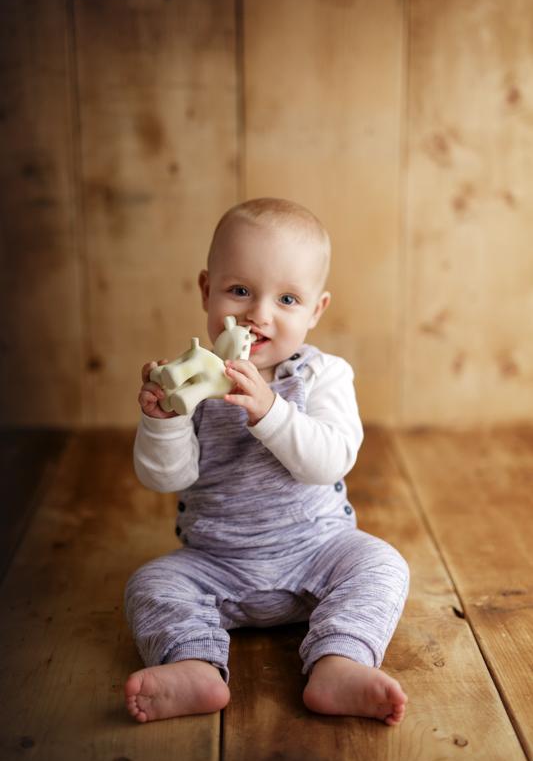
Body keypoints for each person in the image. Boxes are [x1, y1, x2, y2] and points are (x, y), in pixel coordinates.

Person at [124, 198, 410, 725]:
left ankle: (339, 661)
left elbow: (330, 460)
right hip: (217, 563)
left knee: (381, 565)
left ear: (316, 311)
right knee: (150, 584)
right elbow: (168, 477)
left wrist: (270, 411)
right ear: (207, 291)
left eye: (287, 298)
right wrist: (162, 421)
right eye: (240, 291)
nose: (259, 314)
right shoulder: (196, 381)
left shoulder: (323, 375)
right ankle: (194, 665)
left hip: (316, 554)